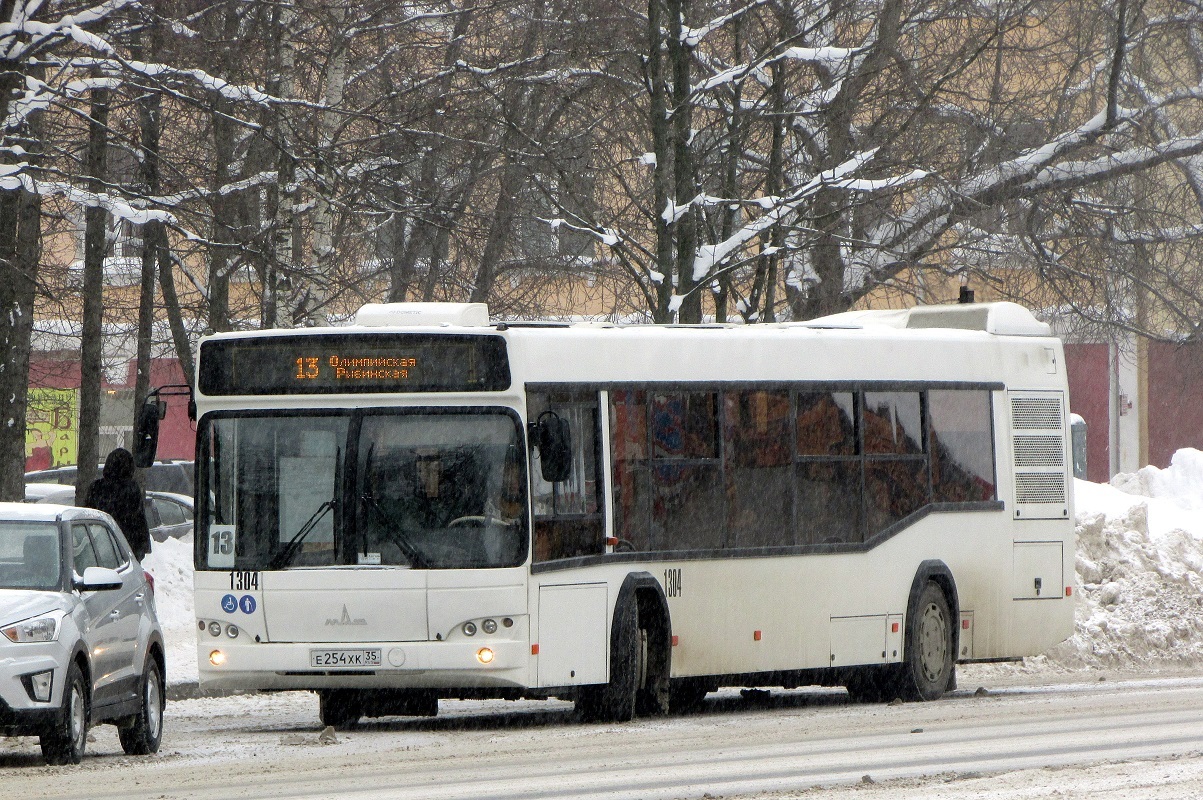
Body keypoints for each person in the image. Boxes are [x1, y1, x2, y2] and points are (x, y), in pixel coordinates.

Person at [85, 447, 152, 561]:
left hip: (98, 547)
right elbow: (138, 520)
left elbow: (87, 514)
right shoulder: (131, 489)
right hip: (127, 547)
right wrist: (142, 547)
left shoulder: (96, 487)